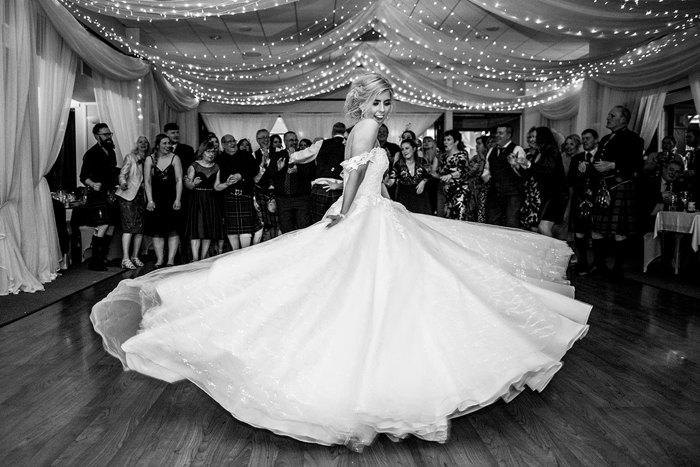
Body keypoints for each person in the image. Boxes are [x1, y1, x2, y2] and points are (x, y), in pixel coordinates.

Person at [91, 72, 590, 451]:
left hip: (376, 211)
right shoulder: (367, 127)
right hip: (364, 216)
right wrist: (346, 210)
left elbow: (363, 174)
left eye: (388, 100)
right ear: (363, 102)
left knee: (355, 288)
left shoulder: (366, 129)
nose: (384, 106)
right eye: (378, 99)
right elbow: (357, 177)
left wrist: (348, 192)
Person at [590, 106, 644, 277]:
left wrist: (613, 165)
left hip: (621, 186)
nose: (608, 118)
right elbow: (598, 161)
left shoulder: (633, 139)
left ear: (623, 119)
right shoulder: (606, 138)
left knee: (619, 231)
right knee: (597, 229)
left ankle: (618, 269)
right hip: (604, 187)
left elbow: (637, 164)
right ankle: (600, 265)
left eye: (612, 115)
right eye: (608, 115)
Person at [289, 122, 347, 223]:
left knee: (318, 223)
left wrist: (292, 156)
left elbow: (305, 154)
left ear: (332, 132)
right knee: (337, 224)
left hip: (320, 188)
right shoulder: (348, 144)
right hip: (339, 188)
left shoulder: (322, 143)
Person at [80, 123, 119, 271]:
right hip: (97, 195)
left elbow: (111, 171)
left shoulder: (111, 152)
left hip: (110, 194)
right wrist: (92, 183)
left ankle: (103, 257)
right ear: (97, 136)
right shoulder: (91, 154)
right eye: (105, 135)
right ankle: (95, 262)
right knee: (102, 225)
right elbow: (83, 176)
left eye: (110, 134)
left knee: (112, 225)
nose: (109, 137)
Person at [144, 133, 183, 268]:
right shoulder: (150, 159)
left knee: (173, 229)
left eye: (169, 143)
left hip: (171, 197)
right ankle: (160, 259)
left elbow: (179, 180)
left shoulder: (175, 158)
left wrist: (178, 199)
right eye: (165, 143)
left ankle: (170, 259)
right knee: (157, 230)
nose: (168, 146)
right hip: (156, 198)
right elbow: (147, 181)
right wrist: (150, 200)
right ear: (158, 145)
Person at [184, 141, 223, 262]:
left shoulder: (217, 167)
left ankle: (203, 257)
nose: (211, 154)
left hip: (210, 198)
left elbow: (216, 186)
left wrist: (227, 184)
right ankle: (195, 258)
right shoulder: (194, 165)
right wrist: (193, 183)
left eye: (213, 151)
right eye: (208, 151)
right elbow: (188, 185)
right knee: (196, 228)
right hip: (197, 198)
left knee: (208, 228)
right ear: (202, 152)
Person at [115, 136, 149, 270]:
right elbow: (122, 174)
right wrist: (123, 183)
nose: (143, 144)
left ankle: (135, 256)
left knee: (140, 229)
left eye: (145, 142)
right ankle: (125, 258)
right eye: (141, 142)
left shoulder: (150, 159)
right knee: (129, 227)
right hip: (128, 195)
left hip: (142, 197)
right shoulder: (130, 157)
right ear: (136, 144)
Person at [485, 124, 527, 228]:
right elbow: (487, 169)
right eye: (497, 133)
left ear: (508, 135)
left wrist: (515, 165)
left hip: (512, 193)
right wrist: (486, 177)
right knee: (492, 222)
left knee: (511, 223)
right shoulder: (491, 151)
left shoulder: (517, 149)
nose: (497, 135)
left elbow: (524, 173)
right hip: (494, 192)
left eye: (501, 133)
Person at [391, 139, 431, 214]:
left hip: (420, 197)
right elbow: (391, 180)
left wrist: (423, 182)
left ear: (414, 149)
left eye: (407, 148)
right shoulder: (399, 164)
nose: (404, 151)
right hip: (404, 196)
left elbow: (429, 174)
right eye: (402, 149)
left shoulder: (422, 161)